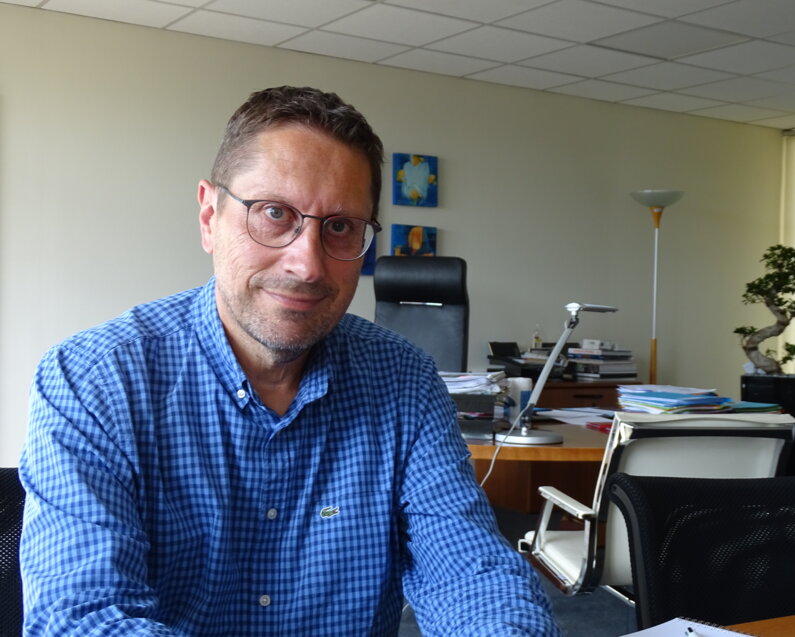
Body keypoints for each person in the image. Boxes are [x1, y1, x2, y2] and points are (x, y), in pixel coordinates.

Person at [19, 86, 562, 636]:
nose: (307, 264)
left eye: (341, 226)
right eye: (274, 213)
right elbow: (83, 618)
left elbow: (470, 574)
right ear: (210, 216)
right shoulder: (93, 381)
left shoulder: (405, 381)